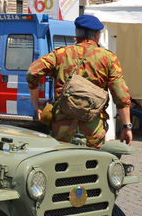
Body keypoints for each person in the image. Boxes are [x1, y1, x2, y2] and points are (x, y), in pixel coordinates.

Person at [26, 14, 132, 149]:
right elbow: (121, 95)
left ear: (77, 33)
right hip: (93, 126)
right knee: (93, 163)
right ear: (96, 35)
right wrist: (126, 126)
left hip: (62, 124)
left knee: (60, 162)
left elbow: (32, 72)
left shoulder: (60, 54)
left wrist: (37, 106)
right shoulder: (108, 58)